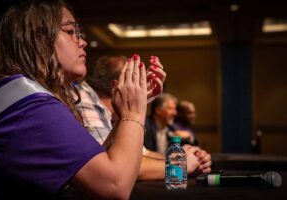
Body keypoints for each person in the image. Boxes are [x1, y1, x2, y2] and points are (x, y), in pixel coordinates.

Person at [0, 1, 152, 199]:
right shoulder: (32, 107)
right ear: (38, 38)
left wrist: (121, 116)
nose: (82, 41)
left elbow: (91, 167)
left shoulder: (22, 98)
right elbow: (115, 185)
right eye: (70, 31)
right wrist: (134, 112)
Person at [76, 56, 212, 180]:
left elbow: (141, 154)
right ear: (118, 85)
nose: (142, 87)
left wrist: (184, 157)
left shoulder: (109, 109)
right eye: (137, 79)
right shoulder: (84, 101)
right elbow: (118, 167)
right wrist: (180, 165)